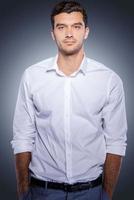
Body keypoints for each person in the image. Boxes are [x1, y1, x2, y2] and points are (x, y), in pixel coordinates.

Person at [11, 1, 127, 200]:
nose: (69, 34)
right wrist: (23, 192)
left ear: (86, 31)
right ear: (52, 33)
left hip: (91, 192)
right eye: (61, 27)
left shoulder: (109, 80)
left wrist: (106, 196)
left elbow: (115, 142)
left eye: (76, 26)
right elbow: (23, 137)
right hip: (42, 192)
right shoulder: (32, 76)